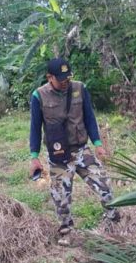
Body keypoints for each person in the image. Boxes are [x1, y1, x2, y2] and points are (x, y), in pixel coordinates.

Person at [29, 58, 120, 245]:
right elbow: (35, 127)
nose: (65, 82)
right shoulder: (39, 95)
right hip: (58, 156)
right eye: (61, 79)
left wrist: (98, 144)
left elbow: (89, 117)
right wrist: (34, 157)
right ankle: (66, 230)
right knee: (60, 197)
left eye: (67, 78)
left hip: (81, 150)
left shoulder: (79, 88)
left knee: (104, 185)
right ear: (49, 77)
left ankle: (113, 222)